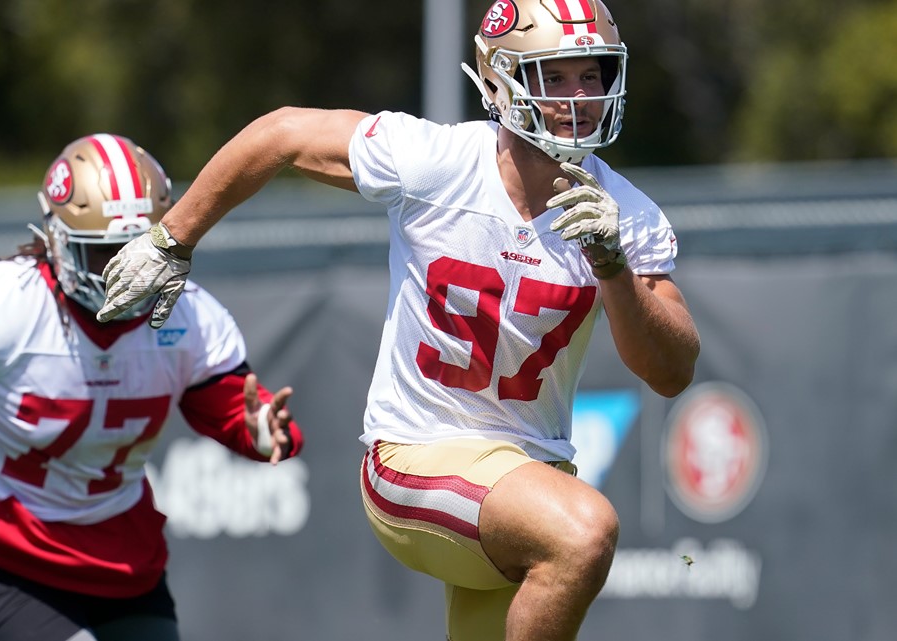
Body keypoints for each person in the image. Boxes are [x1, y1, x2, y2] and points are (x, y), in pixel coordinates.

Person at [96, 0, 701, 639]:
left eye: (593, 75)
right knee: (582, 532)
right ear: (499, 81)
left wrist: (613, 269)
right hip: (416, 457)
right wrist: (172, 240)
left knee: (563, 538)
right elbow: (279, 135)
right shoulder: (436, 162)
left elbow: (671, 371)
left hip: (529, 475)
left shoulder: (626, 217)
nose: (579, 98)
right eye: (553, 76)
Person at [0, 133, 304, 641]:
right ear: (57, 241)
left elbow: (232, 406)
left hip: (116, 552)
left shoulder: (190, 317)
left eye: (137, 253)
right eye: (104, 254)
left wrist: (258, 430)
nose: (120, 274)